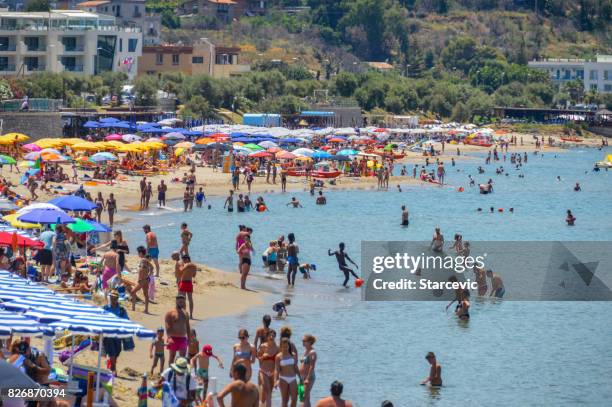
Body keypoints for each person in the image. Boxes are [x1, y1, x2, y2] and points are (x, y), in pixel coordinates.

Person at [103, 290, 130, 374]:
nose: (113, 300)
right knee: (112, 353)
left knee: (117, 352)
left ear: (117, 299)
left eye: (114, 298)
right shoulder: (106, 308)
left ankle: (112, 366)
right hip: (108, 335)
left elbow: (126, 321)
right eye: (111, 298)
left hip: (118, 336)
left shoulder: (121, 310)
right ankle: (113, 369)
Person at [165, 294, 191, 364]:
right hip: (173, 338)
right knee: (172, 356)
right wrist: (169, 338)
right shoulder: (170, 313)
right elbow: (167, 326)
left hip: (183, 339)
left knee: (182, 358)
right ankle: (170, 372)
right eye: (180, 302)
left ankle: (180, 373)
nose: (181, 303)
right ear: (176, 301)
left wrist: (189, 339)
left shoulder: (186, 313)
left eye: (182, 302)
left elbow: (188, 327)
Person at [275, 337, 300, 407]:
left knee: (294, 398)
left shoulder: (293, 355)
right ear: (281, 346)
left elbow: (296, 367)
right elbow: (277, 370)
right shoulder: (278, 356)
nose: (285, 348)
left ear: (289, 346)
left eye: (286, 346)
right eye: (283, 346)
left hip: (293, 378)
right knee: (285, 400)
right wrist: (276, 381)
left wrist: (300, 377)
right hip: (283, 378)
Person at [131, 246, 152, 313]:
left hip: (142, 280)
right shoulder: (146, 259)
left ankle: (133, 308)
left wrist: (141, 278)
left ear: (140, 253)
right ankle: (146, 310)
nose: (137, 254)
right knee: (146, 294)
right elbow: (152, 267)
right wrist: (148, 275)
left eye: (138, 252)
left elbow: (142, 269)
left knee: (132, 292)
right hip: (146, 280)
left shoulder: (143, 260)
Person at [300, 335, 317, 407]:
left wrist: (307, 378)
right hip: (302, 377)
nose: (302, 342)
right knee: (303, 397)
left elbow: (312, 366)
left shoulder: (312, 352)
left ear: (310, 342)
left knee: (305, 396)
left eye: (304, 341)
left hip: (308, 377)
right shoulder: (306, 351)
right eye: (302, 341)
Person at [178, 254, 197, 319]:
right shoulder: (194, 266)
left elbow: (181, 270)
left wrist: (181, 265)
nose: (183, 261)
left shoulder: (186, 264)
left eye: (183, 260)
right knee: (190, 299)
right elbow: (194, 275)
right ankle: (191, 315)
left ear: (186, 259)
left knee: (183, 299)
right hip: (189, 283)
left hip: (184, 283)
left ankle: (184, 314)